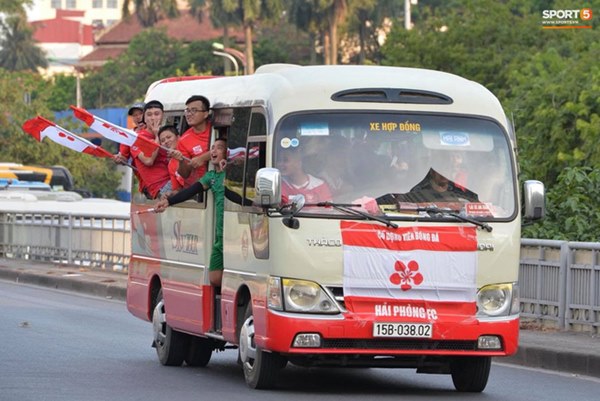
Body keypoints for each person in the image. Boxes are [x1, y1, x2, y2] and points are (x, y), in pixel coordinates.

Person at [155, 138, 227, 287]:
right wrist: (169, 202)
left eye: (219, 148)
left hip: (232, 234)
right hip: (219, 234)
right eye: (212, 147)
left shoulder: (230, 176)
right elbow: (189, 191)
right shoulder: (211, 177)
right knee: (214, 277)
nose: (213, 151)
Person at [131, 100, 171, 199]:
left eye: (157, 114)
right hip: (160, 187)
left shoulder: (168, 133)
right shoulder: (138, 138)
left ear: (163, 115)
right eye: (149, 115)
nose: (153, 118)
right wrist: (157, 136)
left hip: (173, 179)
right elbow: (149, 161)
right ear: (144, 117)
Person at [177, 95, 212, 188]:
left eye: (194, 110)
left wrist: (202, 158)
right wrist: (181, 161)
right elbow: (184, 174)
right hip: (204, 187)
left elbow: (227, 149)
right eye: (187, 111)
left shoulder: (217, 129)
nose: (189, 114)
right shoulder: (183, 140)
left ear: (205, 114)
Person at [403, 168, 478, 203]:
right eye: (440, 171)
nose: (443, 174)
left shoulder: (459, 192)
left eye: (446, 170)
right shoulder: (418, 191)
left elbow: (476, 203)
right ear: (432, 173)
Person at [157, 125, 185, 196]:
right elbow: (177, 188)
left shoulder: (188, 152)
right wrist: (170, 194)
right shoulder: (171, 164)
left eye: (169, 137)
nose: (166, 141)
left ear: (178, 137)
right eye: (162, 141)